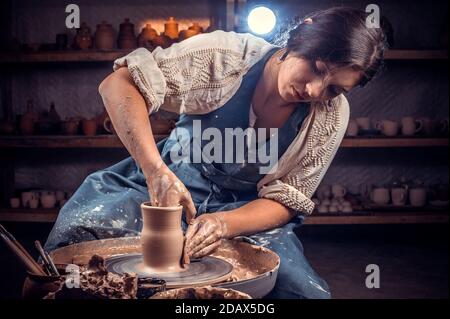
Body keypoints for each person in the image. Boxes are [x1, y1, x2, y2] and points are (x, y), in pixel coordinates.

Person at [44, 7, 387, 298]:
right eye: (318, 68)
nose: (314, 90)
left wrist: (224, 224)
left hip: (243, 210)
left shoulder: (330, 115)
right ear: (304, 34)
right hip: (163, 186)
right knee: (77, 239)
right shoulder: (226, 56)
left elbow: (287, 200)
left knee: (299, 290)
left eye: (333, 88)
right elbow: (119, 84)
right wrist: (156, 172)